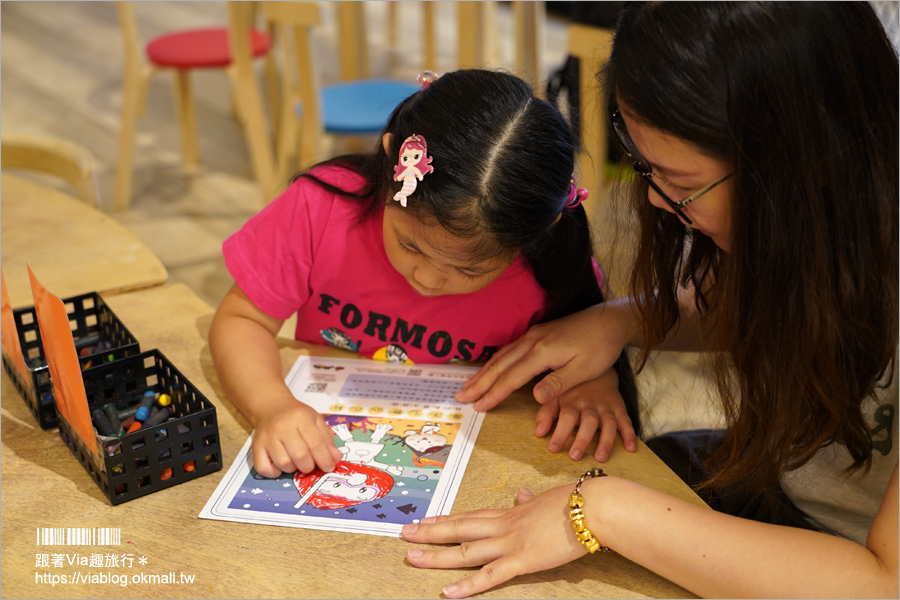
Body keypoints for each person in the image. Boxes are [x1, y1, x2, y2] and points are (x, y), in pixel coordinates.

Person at [402, 3, 899, 598]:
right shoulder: (844, 205)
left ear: (806, 160)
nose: (659, 203)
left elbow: (881, 583)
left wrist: (600, 509)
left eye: (683, 185)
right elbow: (784, 299)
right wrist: (621, 319)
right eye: (641, 165)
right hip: (786, 489)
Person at [209, 69, 640, 479]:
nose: (429, 279)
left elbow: (583, 339)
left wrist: (593, 380)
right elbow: (243, 319)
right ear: (390, 161)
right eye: (410, 245)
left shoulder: (550, 270)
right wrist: (272, 406)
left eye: (469, 268)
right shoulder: (320, 209)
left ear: (537, 235)